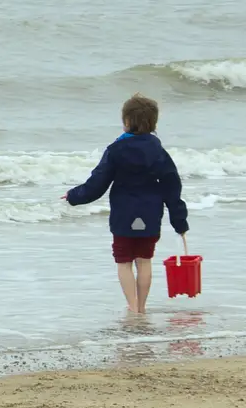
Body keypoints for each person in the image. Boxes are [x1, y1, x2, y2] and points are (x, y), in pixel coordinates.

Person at [64, 94, 189, 315]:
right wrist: (179, 220)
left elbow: (97, 183)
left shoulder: (115, 150)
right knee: (144, 260)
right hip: (151, 214)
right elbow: (172, 186)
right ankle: (142, 307)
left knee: (123, 262)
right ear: (153, 123)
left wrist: (74, 196)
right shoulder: (158, 151)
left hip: (124, 214)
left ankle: (132, 308)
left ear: (127, 121)